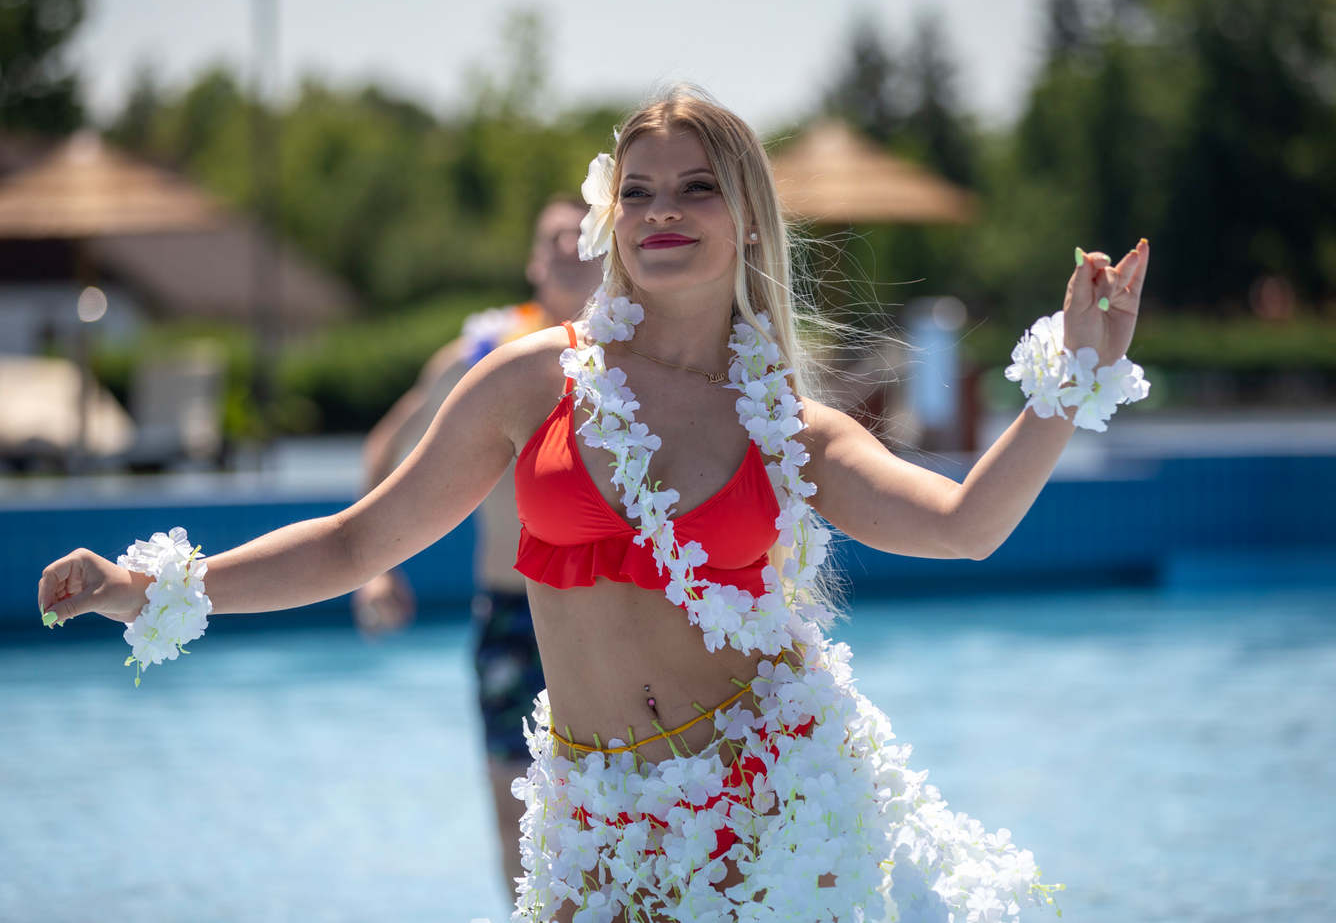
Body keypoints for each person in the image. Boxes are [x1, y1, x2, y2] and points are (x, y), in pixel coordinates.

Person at [39, 86, 1150, 922]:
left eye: (696, 188)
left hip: (764, 804)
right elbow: (353, 540)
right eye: (639, 192)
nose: (662, 212)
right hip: (592, 823)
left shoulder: (789, 430)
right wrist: (151, 586)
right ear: (608, 217)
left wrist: (1074, 379)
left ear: (748, 218)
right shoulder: (533, 381)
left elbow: (964, 525)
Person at [352, 195, 601, 898]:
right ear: (533, 261)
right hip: (513, 614)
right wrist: (377, 569)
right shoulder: (484, 355)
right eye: (554, 236)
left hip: (606, 614)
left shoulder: (637, 355)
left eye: (582, 234)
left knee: (616, 806)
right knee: (516, 814)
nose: (569, 246)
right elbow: (387, 445)